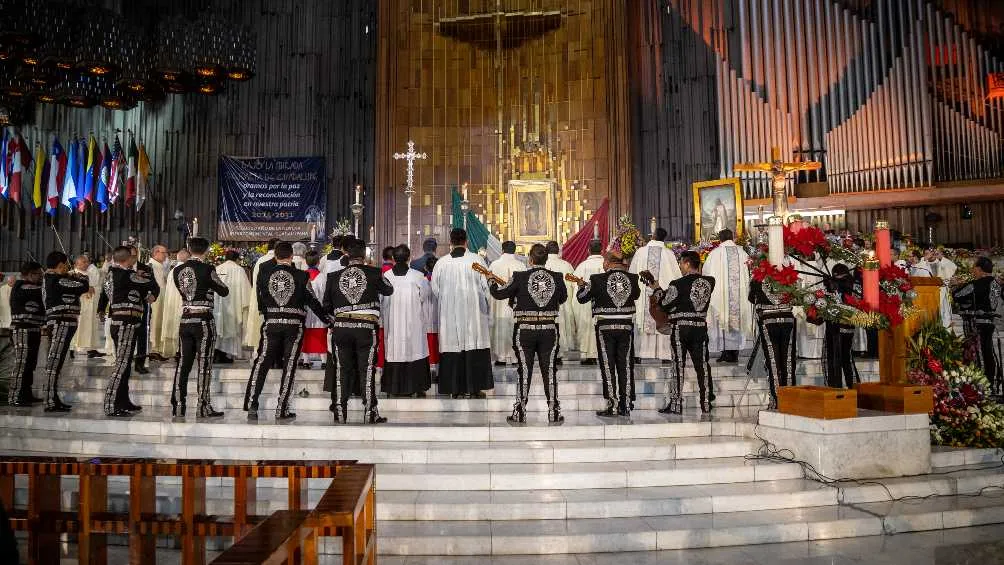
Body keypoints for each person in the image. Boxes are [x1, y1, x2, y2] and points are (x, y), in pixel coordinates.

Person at [243, 242, 326, 421]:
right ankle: (282, 409)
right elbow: (313, 301)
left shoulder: (265, 275)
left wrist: (268, 314)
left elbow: (260, 299)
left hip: (271, 323)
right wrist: (328, 320)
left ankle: (252, 404)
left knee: (262, 363)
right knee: (289, 366)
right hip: (293, 326)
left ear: (275, 257)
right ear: (291, 256)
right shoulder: (302, 276)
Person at [488, 243, 568, 423]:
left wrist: (492, 281)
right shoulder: (556, 277)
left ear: (530, 260)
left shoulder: (520, 276)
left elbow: (500, 294)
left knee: (524, 370)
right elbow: (563, 298)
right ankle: (553, 411)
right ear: (546, 260)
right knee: (550, 371)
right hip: (549, 330)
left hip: (524, 331)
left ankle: (520, 411)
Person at [325, 238, 394, 423]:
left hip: (341, 328)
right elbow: (389, 289)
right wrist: (373, 270)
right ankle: (370, 411)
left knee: (342, 369)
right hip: (366, 328)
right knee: (367, 370)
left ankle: (340, 410)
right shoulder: (374, 272)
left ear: (347, 256)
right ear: (364, 256)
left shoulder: (333, 276)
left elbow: (326, 305)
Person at [645, 251, 715, 413]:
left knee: (678, 365)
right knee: (702, 365)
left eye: (681, 263)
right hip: (700, 327)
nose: (680, 266)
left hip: (681, 329)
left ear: (687, 263)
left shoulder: (677, 283)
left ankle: (676, 404)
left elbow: (664, 303)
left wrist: (656, 289)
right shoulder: (710, 282)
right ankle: (705, 403)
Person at [575, 248, 640, 417]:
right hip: (626, 326)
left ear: (608, 262)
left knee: (608, 366)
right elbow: (637, 295)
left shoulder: (597, 279)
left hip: (605, 327)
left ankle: (613, 403)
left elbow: (582, 298)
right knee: (625, 365)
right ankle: (626, 405)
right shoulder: (632, 278)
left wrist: (581, 287)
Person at [431, 228, 494, 398]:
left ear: (450, 242)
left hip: (449, 316)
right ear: (466, 241)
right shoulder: (477, 260)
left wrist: (448, 301)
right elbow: (486, 286)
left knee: (452, 347)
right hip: (474, 315)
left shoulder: (441, 263)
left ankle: (454, 388)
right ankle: (474, 388)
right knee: (474, 346)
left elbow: (435, 289)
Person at [170, 237, 229, 418]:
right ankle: (203, 406)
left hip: (185, 319)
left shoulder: (177, 270)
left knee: (183, 365)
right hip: (203, 319)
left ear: (189, 249)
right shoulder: (207, 268)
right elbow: (223, 290)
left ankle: (178, 405)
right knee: (204, 365)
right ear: (206, 250)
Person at [98, 246, 160, 417]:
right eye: (132, 258)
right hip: (125, 323)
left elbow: (104, 295)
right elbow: (151, 285)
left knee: (124, 365)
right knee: (122, 365)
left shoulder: (110, 274)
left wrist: (101, 310)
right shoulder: (125, 275)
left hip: (120, 322)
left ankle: (123, 401)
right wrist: (149, 285)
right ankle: (111, 404)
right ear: (127, 260)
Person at [379, 245, 432, 398]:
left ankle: (393, 387)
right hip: (413, 324)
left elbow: (381, 300)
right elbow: (424, 296)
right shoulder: (418, 277)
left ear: (393, 259)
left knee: (395, 351)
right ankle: (418, 386)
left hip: (393, 325)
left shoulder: (385, 277)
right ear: (409, 258)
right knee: (415, 350)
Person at [42, 251, 91, 412]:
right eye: (66, 265)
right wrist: (77, 276)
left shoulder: (59, 278)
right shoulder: (53, 279)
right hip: (60, 322)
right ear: (61, 265)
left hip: (65, 322)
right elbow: (83, 285)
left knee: (58, 361)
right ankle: (49, 399)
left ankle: (53, 397)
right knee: (54, 362)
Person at [629, 227, 681, 363]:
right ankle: (665, 355)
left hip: (644, 295)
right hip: (663, 296)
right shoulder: (669, 254)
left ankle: (640, 354)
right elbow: (677, 277)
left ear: (652, 236)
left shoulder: (640, 252)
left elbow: (633, 273)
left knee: (644, 318)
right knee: (662, 319)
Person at [953, 257, 1002, 394]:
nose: (972, 270)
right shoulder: (996, 284)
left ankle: (981, 384)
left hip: (977, 324)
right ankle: (992, 383)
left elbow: (957, 295)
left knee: (978, 353)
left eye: (974, 267)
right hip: (991, 324)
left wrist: (957, 285)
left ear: (980, 269)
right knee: (989, 353)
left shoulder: (976, 284)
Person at [702, 230, 752, 364]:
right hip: (739, 293)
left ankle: (725, 352)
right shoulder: (742, 253)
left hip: (721, 294)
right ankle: (734, 352)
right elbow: (750, 272)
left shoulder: (715, 254)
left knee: (722, 317)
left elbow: (706, 273)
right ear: (733, 237)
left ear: (720, 239)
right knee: (737, 318)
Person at [748, 275, 797, 409]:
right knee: (788, 361)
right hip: (787, 319)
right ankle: (790, 398)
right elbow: (796, 295)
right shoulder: (786, 275)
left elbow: (751, 298)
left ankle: (777, 399)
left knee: (773, 361)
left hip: (768, 320)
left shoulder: (758, 278)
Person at [7, 262, 44, 406]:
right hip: (22, 329)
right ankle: (15, 396)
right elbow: (37, 293)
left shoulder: (34, 286)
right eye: (38, 274)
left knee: (30, 364)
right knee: (22, 363)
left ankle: (26, 393)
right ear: (29, 274)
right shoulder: (21, 286)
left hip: (34, 328)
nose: (40, 277)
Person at [488, 241, 526, 365]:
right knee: (515, 328)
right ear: (514, 251)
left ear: (502, 250)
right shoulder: (521, 266)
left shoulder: (494, 265)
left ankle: (500, 357)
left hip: (499, 304)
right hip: (516, 306)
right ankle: (515, 356)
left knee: (500, 328)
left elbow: (488, 285)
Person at [822, 264, 859, 389]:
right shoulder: (852, 283)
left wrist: (830, 284)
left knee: (834, 358)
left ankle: (835, 386)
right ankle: (851, 385)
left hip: (836, 326)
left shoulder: (838, 284)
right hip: (849, 325)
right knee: (846, 358)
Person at [571, 240, 607, 365]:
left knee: (587, 328)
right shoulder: (606, 264)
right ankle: (603, 353)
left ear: (588, 250)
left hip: (585, 303)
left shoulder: (582, 266)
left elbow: (575, 288)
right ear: (602, 250)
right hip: (603, 303)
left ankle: (587, 355)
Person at [214, 250, 251, 362]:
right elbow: (246, 291)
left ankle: (216, 353)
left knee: (218, 327)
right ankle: (227, 355)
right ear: (237, 259)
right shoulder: (239, 270)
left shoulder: (217, 268)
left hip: (217, 305)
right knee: (231, 327)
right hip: (233, 306)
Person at [243, 238, 279, 351]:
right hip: (276, 302)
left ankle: (257, 352)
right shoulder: (279, 260)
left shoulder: (260, 260)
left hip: (259, 299)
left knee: (259, 330)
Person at [544, 241, 576, 364]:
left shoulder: (543, 264)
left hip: (545, 305)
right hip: (563, 303)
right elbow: (573, 286)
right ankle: (560, 353)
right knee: (562, 327)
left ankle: (548, 352)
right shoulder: (566, 265)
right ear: (558, 251)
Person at [70, 253, 104, 359]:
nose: (86, 264)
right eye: (83, 262)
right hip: (80, 305)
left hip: (91, 305)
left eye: (86, 262)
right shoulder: (72, 274)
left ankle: (91, 349)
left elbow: (96, 285)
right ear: (77, 264)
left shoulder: (89, 272)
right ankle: (73, 348)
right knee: (79, 325)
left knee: (91, 326)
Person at [159, 248, 190, 360]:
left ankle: (175, 350)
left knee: (174, 327)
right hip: (183, 303)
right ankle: (182, 351)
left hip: (172, 303)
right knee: (182, 327)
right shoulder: (187, 270)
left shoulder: (173, 271)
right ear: (188, 258)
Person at [301, 250, 328, 368]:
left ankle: (305, 361)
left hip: (306, 311)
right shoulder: (322, 277)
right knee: (321, 335)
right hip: (319, 310)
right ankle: (324, 361)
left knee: (306, 335)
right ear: (318, 262)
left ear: (306, 262)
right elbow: (325, 294)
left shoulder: (301, 276)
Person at [146, 244, 170, 363]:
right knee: (155, 322)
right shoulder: (150, 266)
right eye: (163, 252)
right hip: (154, 300)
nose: (166, 255)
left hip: (161, 298)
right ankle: (153, 349)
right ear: (156, 253)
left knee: (160, 322)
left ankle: (158, 349)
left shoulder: (160, 266)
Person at [930, 249, 959, 328]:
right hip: (931, 290)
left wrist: (941, 260)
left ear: (941, 254)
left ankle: (946, 327)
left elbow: (953, 268)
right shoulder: (927, 262)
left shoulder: (944, 262)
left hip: (943, 288)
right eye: (934, 253)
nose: (935, 255)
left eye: (937, 254)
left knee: (944, 310)